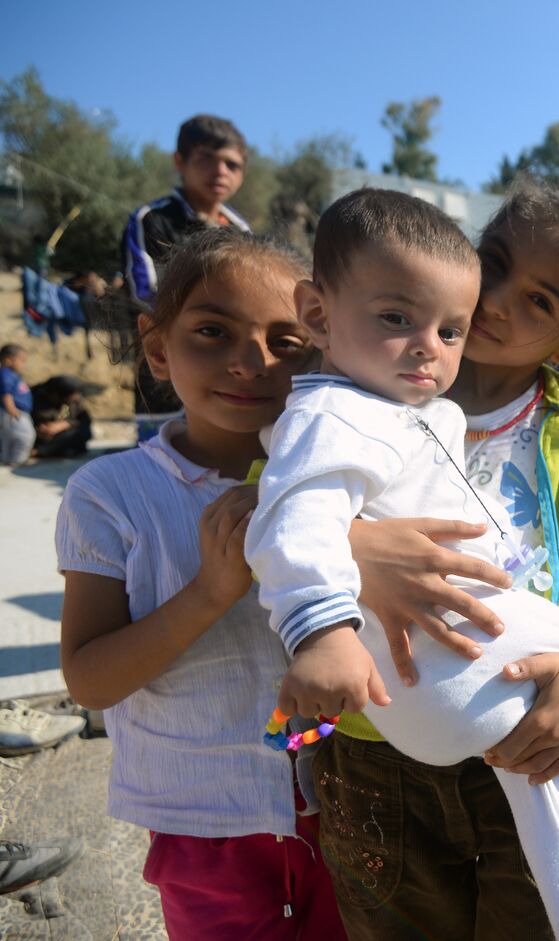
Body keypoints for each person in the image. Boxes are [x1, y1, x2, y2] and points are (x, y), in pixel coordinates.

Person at [272, 183, 559, 941]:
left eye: (542, 301)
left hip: (539, 732)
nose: (499, 302)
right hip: (376, 746)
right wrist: (357, 549)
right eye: (495, 263)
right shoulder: (358, 388)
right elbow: (279, 505)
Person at [55, 228, 347, 940]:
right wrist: (209, 593)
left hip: (346, 806)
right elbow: (89, 682)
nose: (251, 362)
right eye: (213, 331)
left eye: (286, 341)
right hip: (203, 827)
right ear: (157, 346)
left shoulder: (337, 484)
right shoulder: (110, 493)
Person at [121, 114, 251, 441]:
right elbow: (146, 289)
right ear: (180, 161)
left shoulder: (242, 231)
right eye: (206, 158)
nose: (220, 171)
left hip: (230, 362)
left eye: (231, 164)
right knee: (162, 456)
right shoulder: (152, 220)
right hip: (166, 363)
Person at [30, 375, 93, 458]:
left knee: (82, 434)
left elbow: (84, 420)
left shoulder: (75, 399)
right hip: (38, 436)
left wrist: (65, 424)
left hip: (62, 436)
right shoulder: (33, 397)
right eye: (71, 396)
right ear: (56, 395)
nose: (76, 398)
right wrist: (38, 430)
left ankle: (40, 452)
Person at [1, 344, 35, 466]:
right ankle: (19, 460)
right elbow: (6, 393)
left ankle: (7, 459)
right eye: (22, 361)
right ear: (8, 360)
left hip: (10, 413)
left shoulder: (11, 375)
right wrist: (12, 409)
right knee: (25, 435)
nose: (23, 365)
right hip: (14, 412)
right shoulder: (6, 374)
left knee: (8, 438)